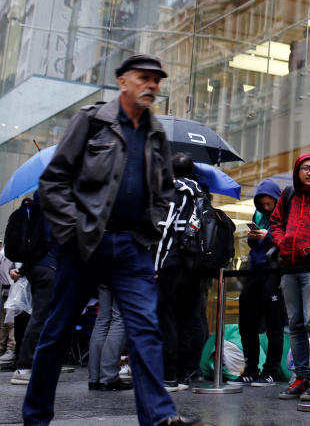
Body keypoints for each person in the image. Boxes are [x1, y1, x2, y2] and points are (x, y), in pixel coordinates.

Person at [26, 54, 200, 426]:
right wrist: (72, 231)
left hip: (132, 248)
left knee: (145, 330)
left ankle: (158, 417)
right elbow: (54, 182)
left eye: (156, 79)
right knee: (56, 332)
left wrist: (150, 229)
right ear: (123, 82)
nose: (151, 85)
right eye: (143, 78)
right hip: (85, 244)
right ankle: (36, 417)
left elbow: (161, 189)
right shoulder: (91, 122)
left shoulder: (154, 133)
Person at [269, 152, 310, 400]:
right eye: (305, 167)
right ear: (297, 171)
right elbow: (275, 223)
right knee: (295, 323)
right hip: (290, 268)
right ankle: (301, 377)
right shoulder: (289, 195)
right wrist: (283, 243)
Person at [155, 153, 207, 391]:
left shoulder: (174, 191)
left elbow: (166, 230)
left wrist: (156, 265)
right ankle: (185, 373)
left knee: (167, 319)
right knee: (188, 320)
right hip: (194, 267)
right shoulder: (201, 194)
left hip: (173, 264)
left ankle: (168, 375)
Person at [232, 178, 285, 388]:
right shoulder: (259, 214)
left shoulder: (284, 214)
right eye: (261, 203)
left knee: (274, 324)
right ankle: (251, 368)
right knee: (246, 322)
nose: (265, 207)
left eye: (268, 203)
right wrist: (255, 236)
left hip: (274, 272)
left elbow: (285, 239)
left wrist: (268, 236)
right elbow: (254, 245)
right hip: (255, 271)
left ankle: (270, 371)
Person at [9, 195, 57, 387]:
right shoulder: (48, 214)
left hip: (37, 269)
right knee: (41, 317)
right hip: (49, 269)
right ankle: (25, 366)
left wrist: (23, 269)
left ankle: (33, 364)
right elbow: (46, 243)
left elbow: (33, 246)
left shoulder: (33, 211)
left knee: (40, 317)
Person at [87, 285, 129, 391]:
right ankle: (108, 377)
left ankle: (94, 378)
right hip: (121, 271)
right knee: (119, 318)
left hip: (100, 271)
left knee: (102, 319)